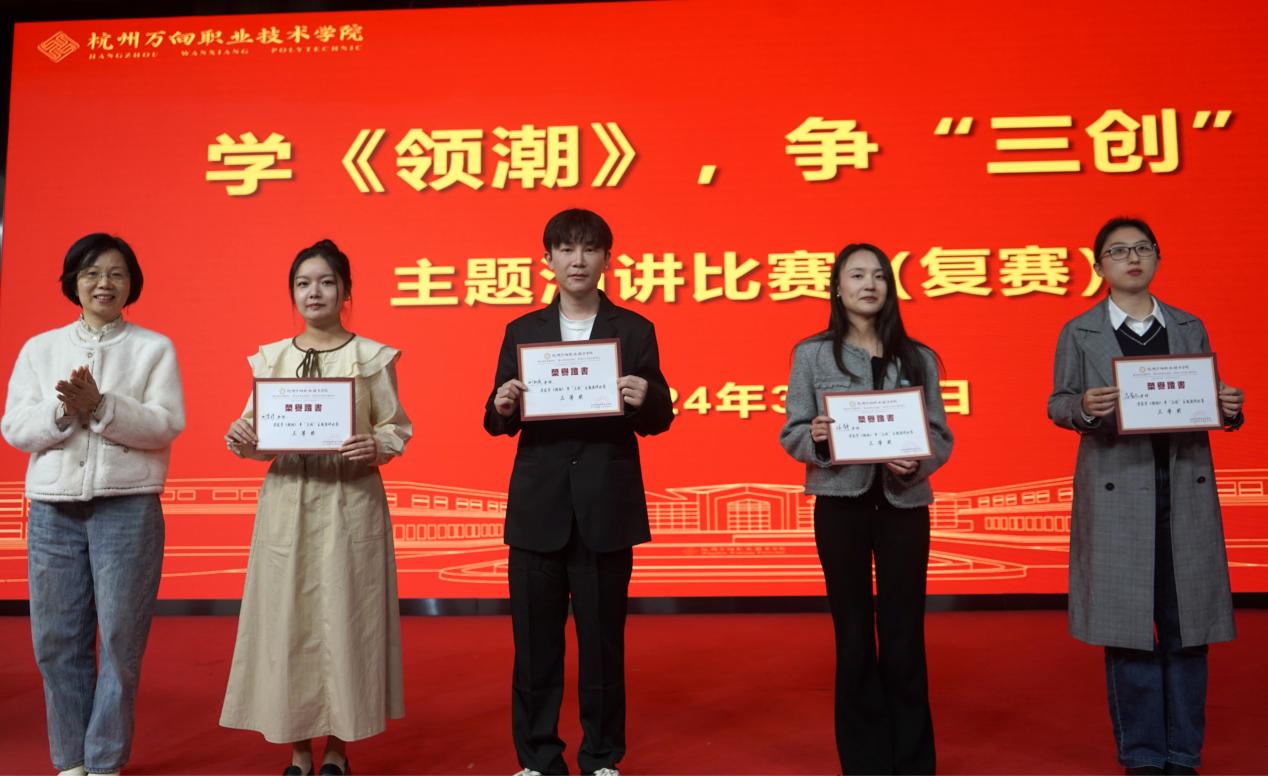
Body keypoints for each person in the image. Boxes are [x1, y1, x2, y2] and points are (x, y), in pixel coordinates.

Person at [1048, 217, 1244, 775]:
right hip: (1118, 493)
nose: (1132, 258)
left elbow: (1208, 399)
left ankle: (1182, 754)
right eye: (1118, 251)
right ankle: (1141, 755)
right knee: (1129, 629)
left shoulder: (1187, 325)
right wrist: (1085, 407)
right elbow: (1058, 402)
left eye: (1142, 248)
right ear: (1098, 267)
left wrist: (1229, 409)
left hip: (1183, 489)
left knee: (1188, 628)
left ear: (1157, 257)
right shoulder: (1079, 331)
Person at [484, 209, 673, 776]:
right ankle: (537, 758)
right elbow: (496, 418)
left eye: (589, 249)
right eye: (565, 249)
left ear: (607, 259)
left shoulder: (634, 329)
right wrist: (502, 405)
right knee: (534, 647)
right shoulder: (522, 331)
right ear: (547, 260)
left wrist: (645, 397)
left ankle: (602, 757)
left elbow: (659, 418)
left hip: (604, 508)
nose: (577, 260)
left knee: (602, 644)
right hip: (538, 508)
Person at [220, 239, 411, 776]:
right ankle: (298, 751)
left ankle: (339, 750)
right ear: (292, 293)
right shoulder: (271, 358)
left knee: (350, 618)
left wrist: (377, 445)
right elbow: (256, 432)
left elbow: (394, 426)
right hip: (288, 500)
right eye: (304, 283)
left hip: (351, 499)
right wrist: (240, 436)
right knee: (289, 620)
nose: (315, 292)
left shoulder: (371, 357)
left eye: (327, 282)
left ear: (345, 291)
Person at [2, 233, 185, 776]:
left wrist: (102, 406)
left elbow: (165, 425)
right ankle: (70, 761)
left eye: (116, 273)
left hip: (127, 508)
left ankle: (104, 760)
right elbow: (15, 427)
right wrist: (64, 413)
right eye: (91, 273)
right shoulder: (40, 349)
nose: (104, 283)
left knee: (121, 640)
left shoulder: (154, 348)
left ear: (131, 284)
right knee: (56, 640)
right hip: (53, 509)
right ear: (73, 283)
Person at [779, 243, 952, 774]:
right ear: (837, 287)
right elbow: (792, 432)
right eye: (856, 276)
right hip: (840, 505)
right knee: (853, 634)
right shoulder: (811, 355)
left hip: (904, 505)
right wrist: (818, 440)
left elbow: (940, 434)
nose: (868, 285)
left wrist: (917, 462)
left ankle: (913, 762)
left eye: (878, 276)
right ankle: (864, 762)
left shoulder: (919, 357)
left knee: (904, 634)